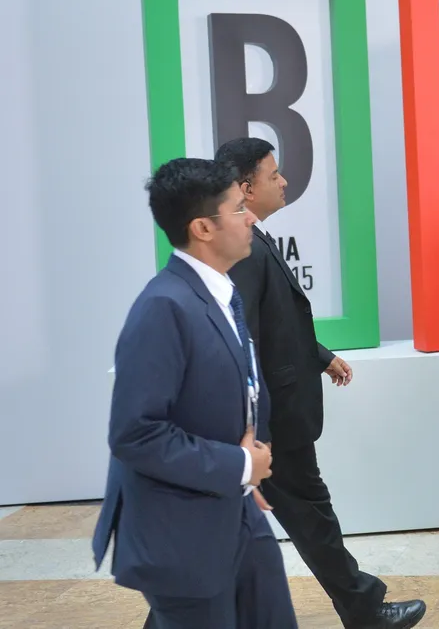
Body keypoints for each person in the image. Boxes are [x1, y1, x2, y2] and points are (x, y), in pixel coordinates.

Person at [216, 137, 426, 629]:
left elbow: (277, 323)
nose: (284, 181)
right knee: (309, 517)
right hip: (274, 420)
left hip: (272, 416)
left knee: (229, 531)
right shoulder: (245, 248)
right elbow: (244, 337)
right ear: (246, 188)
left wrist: (321, 356)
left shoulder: (255, 236)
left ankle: (363, 606)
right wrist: (254, 424)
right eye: (273, 175)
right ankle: (365, 609)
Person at [91, 157, 297, 628]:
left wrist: (247, 472)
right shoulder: (163, 307)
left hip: (235, 509)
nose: (250, 218)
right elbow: (135, 434)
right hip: (181, 534)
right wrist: (239, 465)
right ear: (203, 227)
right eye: (238, 209)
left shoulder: (220, 292)